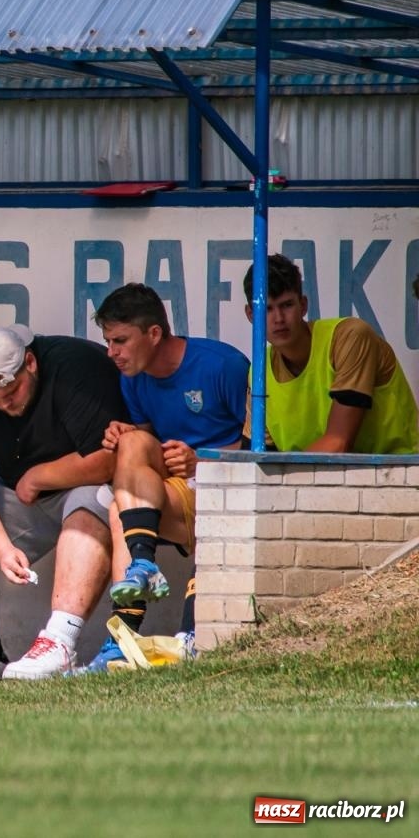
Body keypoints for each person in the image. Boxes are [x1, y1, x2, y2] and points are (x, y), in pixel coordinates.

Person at [0, 324, 126, 679]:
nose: (4, 402)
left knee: (92, 497)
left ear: (30, 362)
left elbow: (107, 460)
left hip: (88, 486)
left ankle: (59, 641)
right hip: (23, 495)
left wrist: (39, 476)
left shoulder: (73, 367)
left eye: (12, 389)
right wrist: (3, 550)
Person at [76, 283, 248, 674]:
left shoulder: (223, 365)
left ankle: (135, 629)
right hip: (175, 494)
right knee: (131, 449)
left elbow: (265, 448)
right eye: (107, 341)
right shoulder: (132, 378)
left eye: (120, 340)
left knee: (123, 503)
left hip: (226, 493)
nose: (111, 353)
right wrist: (122, 436)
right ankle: (136, 587)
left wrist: (204, 460)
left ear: (154, 333)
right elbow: (147, 445)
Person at [244, 254, 418, 454]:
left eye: (287, 305)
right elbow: (260, 456)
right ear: (250, 315)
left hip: (398, 476)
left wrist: (286, 480)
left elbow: (338, 443)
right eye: (266, 309)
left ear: (303, 305)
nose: (278, 319)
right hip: (308, 481)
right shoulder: (259, 369)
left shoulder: (349, 337)